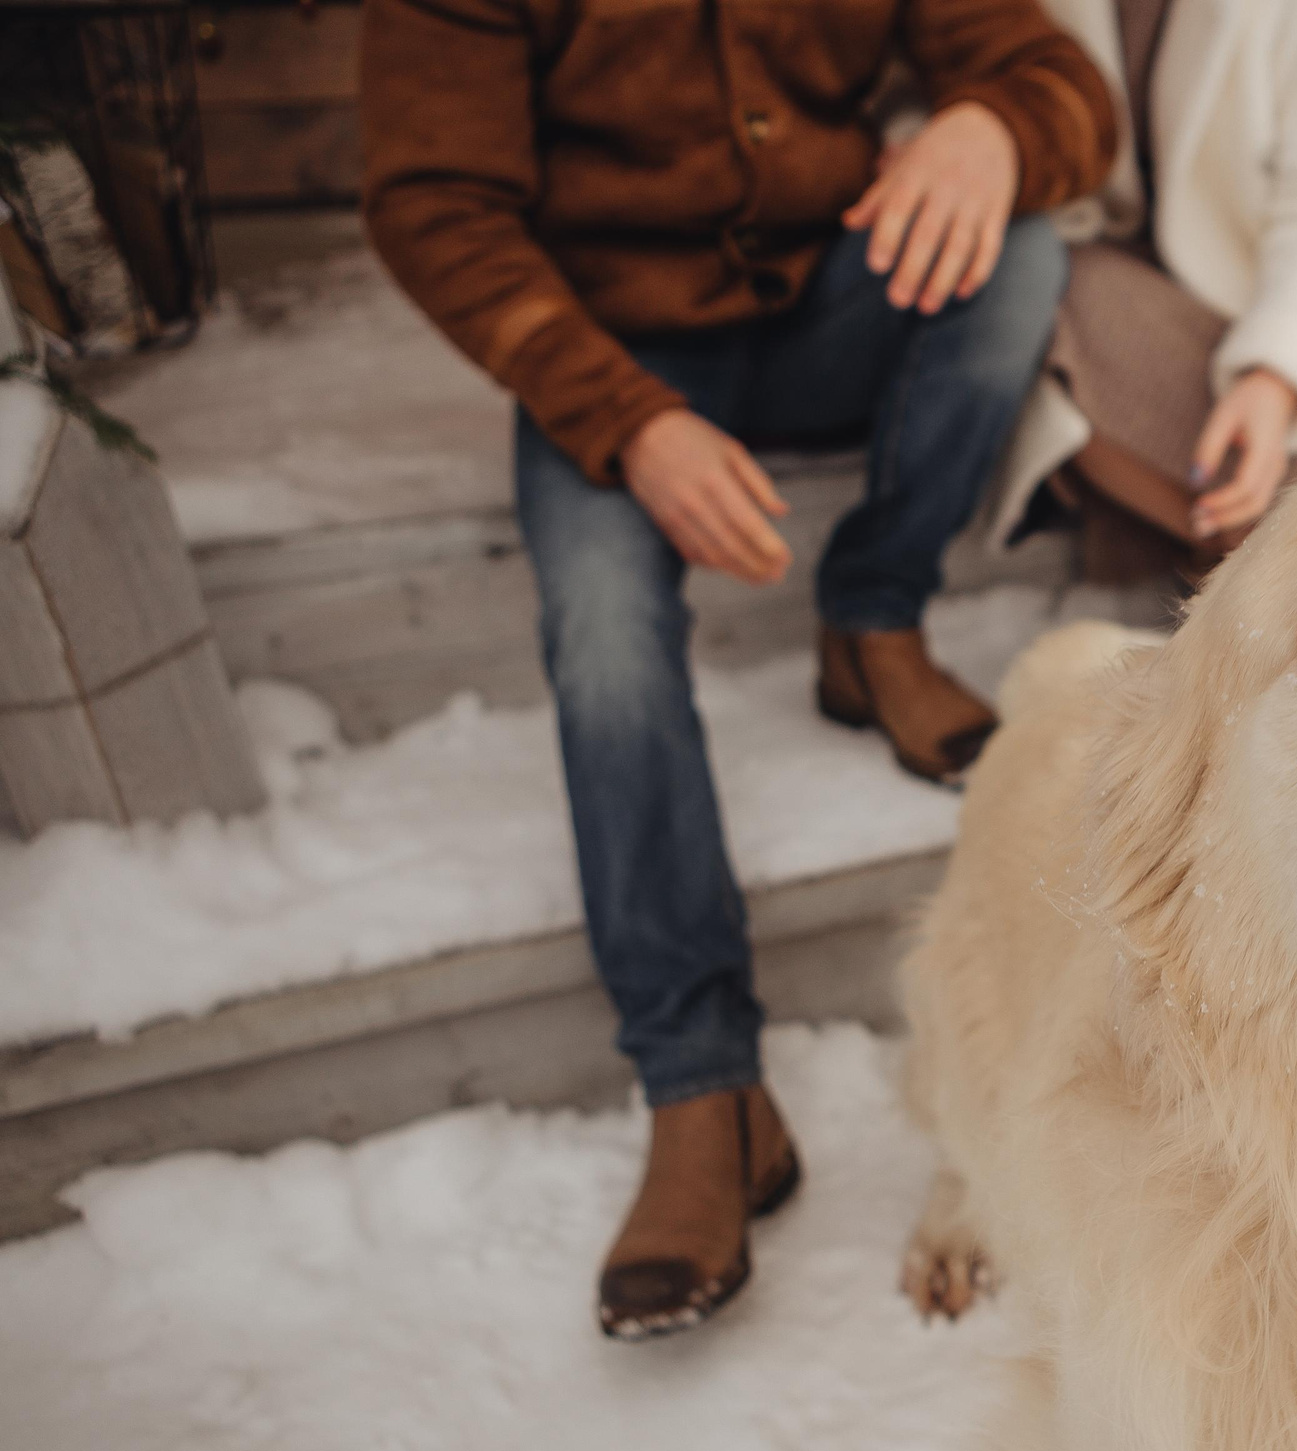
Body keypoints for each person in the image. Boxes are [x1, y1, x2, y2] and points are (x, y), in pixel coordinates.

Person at [359, 0, 1115, 1340]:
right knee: (604, 634)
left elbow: (1053, 75)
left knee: (1018, 256)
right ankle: (705, 1085)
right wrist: (627, 420)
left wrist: (996, 128)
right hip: (602, 344)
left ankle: (871, 617)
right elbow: (433, 203)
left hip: (827, 301)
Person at [979, 0, 1297, 585]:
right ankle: (1258, 580)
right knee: (1038, 283)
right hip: (1100, 300)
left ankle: (1263, 579)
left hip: (1287, 313)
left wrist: (1280, 375)